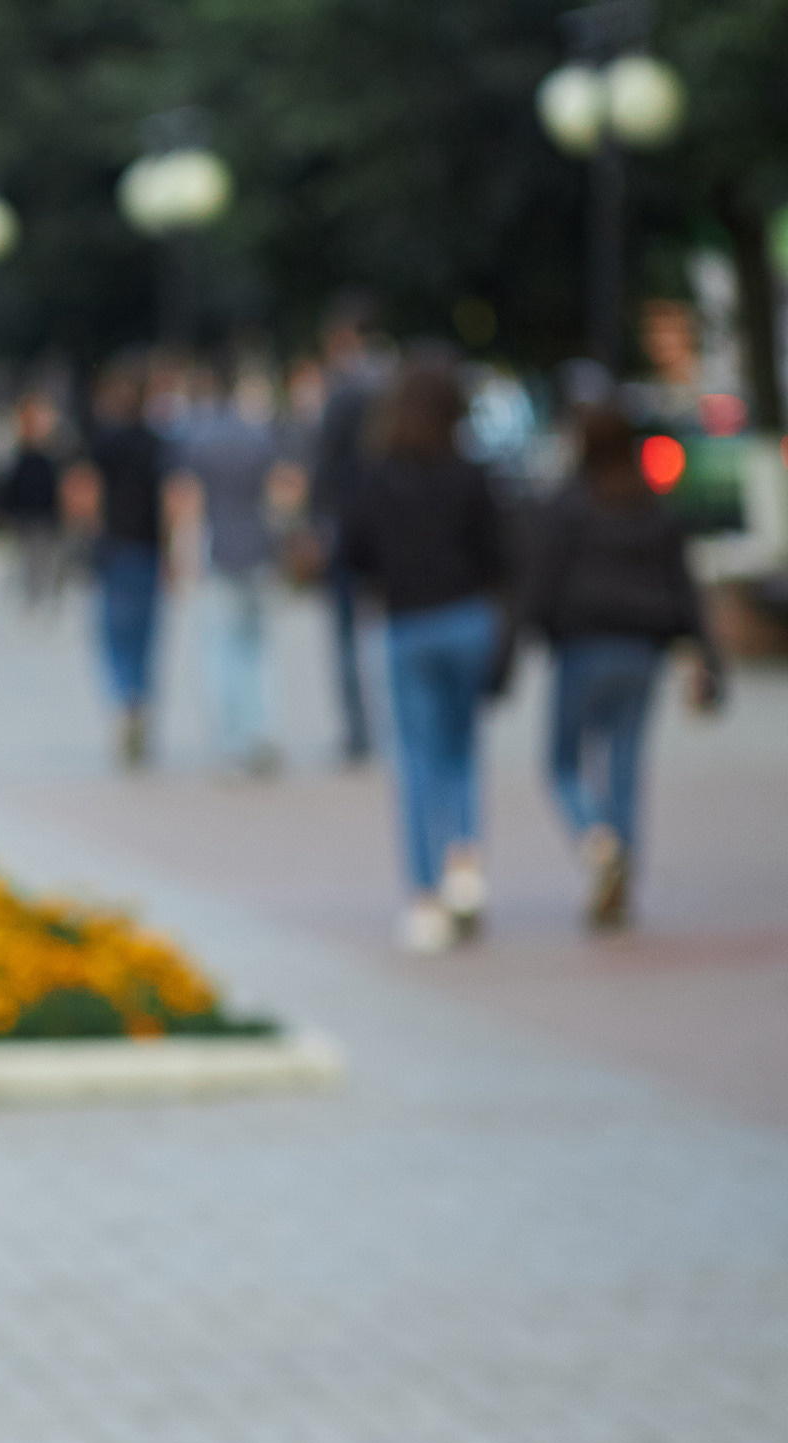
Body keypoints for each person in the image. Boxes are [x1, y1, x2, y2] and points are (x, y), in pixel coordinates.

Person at [501, 403, 726, 931]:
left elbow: (539, 582)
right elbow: (684, 588)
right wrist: (706, 656)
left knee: (562, 763)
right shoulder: (653, 505)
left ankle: (597, 842)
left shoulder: (567, 505)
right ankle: (621, 874)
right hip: (642, 653)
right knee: (624, 764)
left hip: (582, 649)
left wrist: (517, 648)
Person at [341, 356, 507, 953]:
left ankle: (424, 897)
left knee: (414, 761)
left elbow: (353, 552)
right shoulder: (470, 473)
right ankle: (464, 862)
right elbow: (498, 555)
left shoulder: (378, 474)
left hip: (407, 624)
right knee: (462, 750)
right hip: (468, 619)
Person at [173, 368, 297, 776]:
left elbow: (187, 500)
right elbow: (284, 492)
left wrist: (181, 552)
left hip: (218, 550)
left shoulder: (201, 439)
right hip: (259, 549)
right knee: (256, 647)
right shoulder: (261, 438)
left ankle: (229, 738)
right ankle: (262, 728)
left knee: (220, 648)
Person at [66, 363, 168, 768]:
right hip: (149, 549)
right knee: (146, 638)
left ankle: (123, 700)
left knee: (112, 637)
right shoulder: (157, 443)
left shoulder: (100, 442)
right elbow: (173, 499)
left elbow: (82, 492)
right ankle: (139, 702)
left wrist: (85, 531)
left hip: (112, 549)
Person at [311, 295, 388, 766]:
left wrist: (316, 524)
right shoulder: (390, 385)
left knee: (344, 634)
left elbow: (325, 465)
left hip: (345, 524)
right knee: (381, 629)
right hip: (385, 524)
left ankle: (359, 731)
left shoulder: (342, 391)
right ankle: (384, 727)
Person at [0, 391, 66, 612]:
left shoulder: (57, 449)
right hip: (27, 511)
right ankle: (33, 596)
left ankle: (50, 594)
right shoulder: (18, 448)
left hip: (50, 511)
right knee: (30, 555)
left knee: (51, 556)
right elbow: (11, 483)